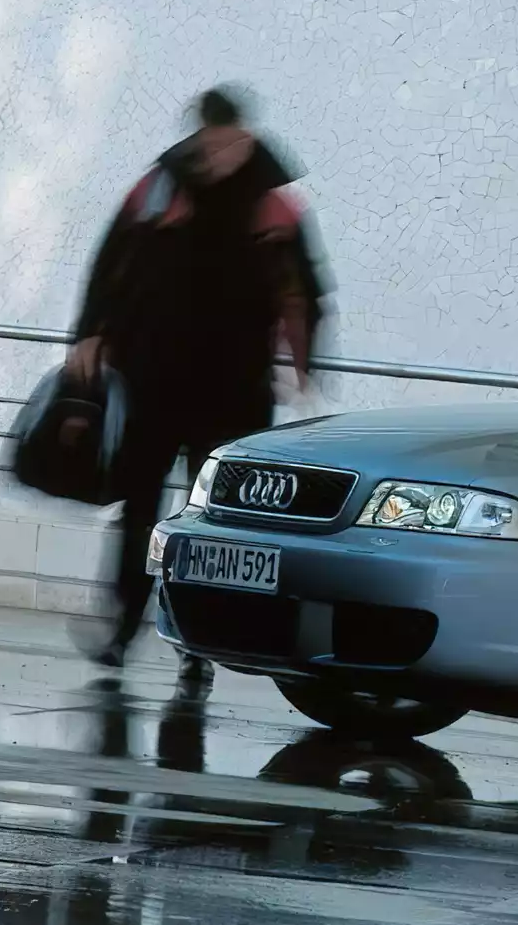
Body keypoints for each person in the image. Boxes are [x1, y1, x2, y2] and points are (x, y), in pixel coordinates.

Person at [69, 87, 329, 667]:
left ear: (245, 137)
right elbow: (110, 263)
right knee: (139, 505)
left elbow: (304, 287)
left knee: (211, 522)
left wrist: (303, 363)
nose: (216, 155)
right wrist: (89, 333)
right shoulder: (161, 188)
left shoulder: (274, 205)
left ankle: (197, 645)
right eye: (208, 143)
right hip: (152, 379)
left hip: (235, 388)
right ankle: (122, 628)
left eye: (226, 144)